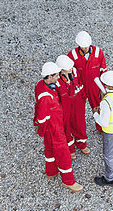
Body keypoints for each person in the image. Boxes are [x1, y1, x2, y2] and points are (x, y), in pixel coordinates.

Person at [33, 61, 83, 193]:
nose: (58, 77)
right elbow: (42, 116)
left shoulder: (40, 85)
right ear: (49, 76)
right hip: (54, 127)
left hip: (51, 127)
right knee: (63, 154)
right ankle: (68, 181)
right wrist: (44, 128)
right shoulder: (46, 97)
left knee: (49, 149)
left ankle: (51, 171)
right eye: (56, 76)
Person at [68, 30, 107, 131]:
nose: (85, 48)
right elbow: (69, 72)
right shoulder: (72, 55)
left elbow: (103, 70)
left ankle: (101, 127)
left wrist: (103, 89)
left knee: (99, 106)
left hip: (95, 86)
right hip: (80, 87)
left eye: (87, 46)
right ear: (78, 44)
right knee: (78, 111)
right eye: (82, 46)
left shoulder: (98, 52)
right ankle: (78, 131)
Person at [55, 55, 90, 158]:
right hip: (65, 107)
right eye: (68, 67)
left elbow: (80, 85)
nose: (71, 68)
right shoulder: (56, 81)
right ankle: (70, 149)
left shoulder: (74, 72)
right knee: (67, 127)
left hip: (78, 104)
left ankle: (82, 144)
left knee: (80, 124)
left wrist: (83, 99)